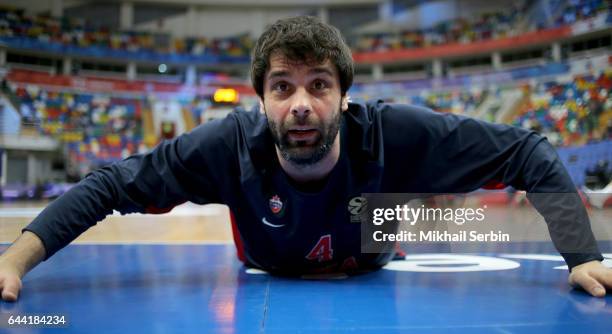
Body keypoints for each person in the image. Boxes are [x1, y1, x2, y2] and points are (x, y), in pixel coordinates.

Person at [1, 16, 611, 302]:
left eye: (319, 85)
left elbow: (527, 149)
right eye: (283, 87)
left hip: (373, 260)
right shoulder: (226, 147)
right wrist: (15, 260)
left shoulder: (393, 135)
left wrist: (581, 255)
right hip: (264, 271)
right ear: (261, 100)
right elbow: (110, 184)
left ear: (344, 97)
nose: (301, 104)